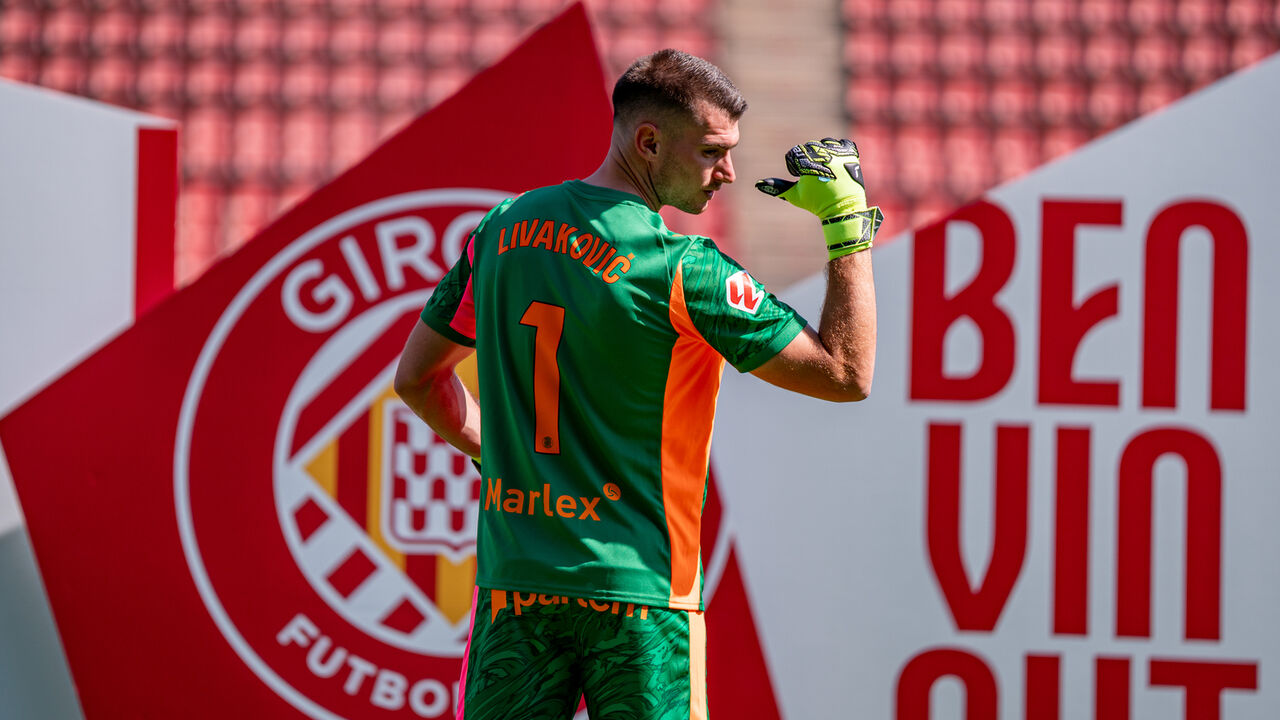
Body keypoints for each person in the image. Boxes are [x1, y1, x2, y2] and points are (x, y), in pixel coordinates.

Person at [394, 49, 882, 720]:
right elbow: (847, 374)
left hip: (514, 585)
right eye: (712, 152)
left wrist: (499, 455)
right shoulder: (684, 269)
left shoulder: (500, 231)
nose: (728, 173)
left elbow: (419, 381)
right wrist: (848, 229)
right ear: (648, 142)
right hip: (644, 597)